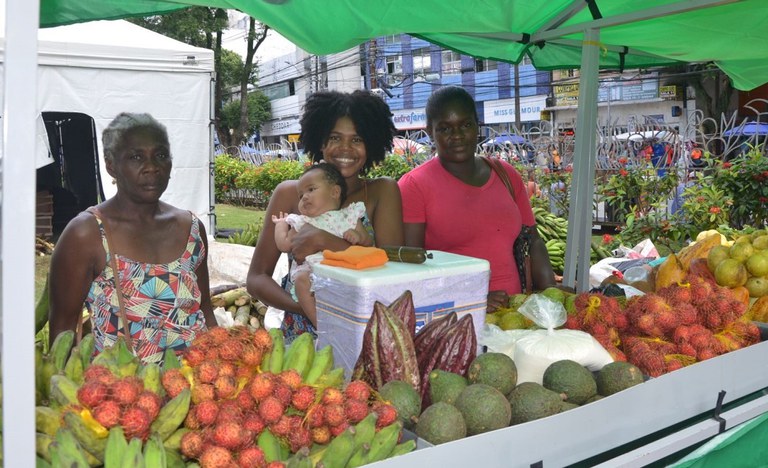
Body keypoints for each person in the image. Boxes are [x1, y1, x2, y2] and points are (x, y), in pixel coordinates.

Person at [48, 112, 216, 364]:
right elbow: (61, 333)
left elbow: (204, 309)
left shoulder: (191, 228)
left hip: (195, 388)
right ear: (111, 165)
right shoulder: (87, 233)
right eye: (136, 156)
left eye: (160, 155)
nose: (152, 167)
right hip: (123, 394)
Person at [247, 90, 403, 340]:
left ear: (371, 143)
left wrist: (324, 240)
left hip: (362, 331)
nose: (345, 149)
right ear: (320, 141)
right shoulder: (291, 194)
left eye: (357, 139)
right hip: (302, 336)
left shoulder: (381, 192)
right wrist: (306, 307)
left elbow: (393, 273)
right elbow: (256, 279)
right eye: (335, 138)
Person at [398, 86, 555, 312]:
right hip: (455, 319)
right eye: (445, 128)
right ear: (430, 133)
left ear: (477, 125)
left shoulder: (506, 175)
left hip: (517, 315)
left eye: (466, 125)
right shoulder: (414, 186)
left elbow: (533, 240)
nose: (458, 135)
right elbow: (410, 268)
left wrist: (551, 291)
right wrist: (471, 298)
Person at [272, 163, 372, 327]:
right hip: (311, 271)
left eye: (311, 190)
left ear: (334, 192)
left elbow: (368, 244)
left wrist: (357, 236)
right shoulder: (301, 222)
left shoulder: (348, 216)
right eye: (301, 195)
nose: (304, 197)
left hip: (343, 271)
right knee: (301, 281)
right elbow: (284, 244)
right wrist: (281, 225)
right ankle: (320, 323)